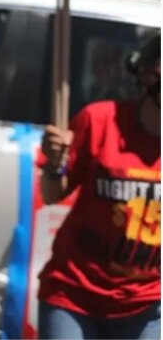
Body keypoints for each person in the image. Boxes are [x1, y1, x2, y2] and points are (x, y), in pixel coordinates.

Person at [38, 33, 160, 339]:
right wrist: (55, 164)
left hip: (144, 306)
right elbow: (52, 194)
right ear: (146, 76)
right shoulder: (99, 120)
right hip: (73, 295)